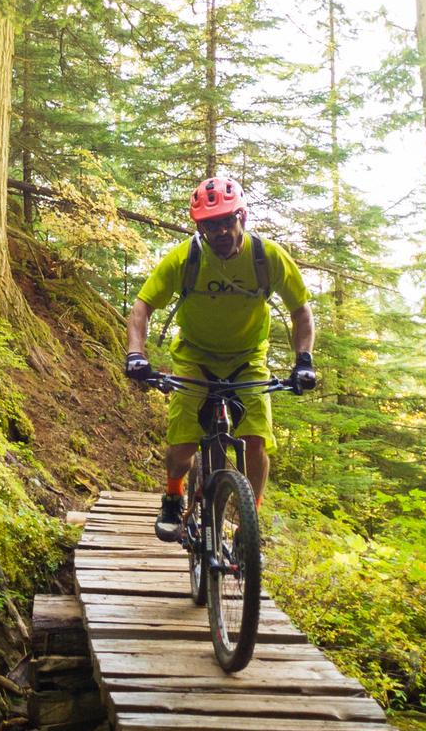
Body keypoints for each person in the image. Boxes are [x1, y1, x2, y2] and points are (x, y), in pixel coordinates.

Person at [123, 176, 316, 541]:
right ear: (201, 227)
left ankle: (250, 521)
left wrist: (303, 360)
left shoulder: (267, 256)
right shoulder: (187, 258)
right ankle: (173, 495)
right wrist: (136, 353)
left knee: (256, 440)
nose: (223, 230)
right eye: (212, 224)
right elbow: (142, 306)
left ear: (242, 216)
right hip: (195, 358)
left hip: (247, 359)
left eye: (229, 220)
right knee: (182, 447)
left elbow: (301, 311)